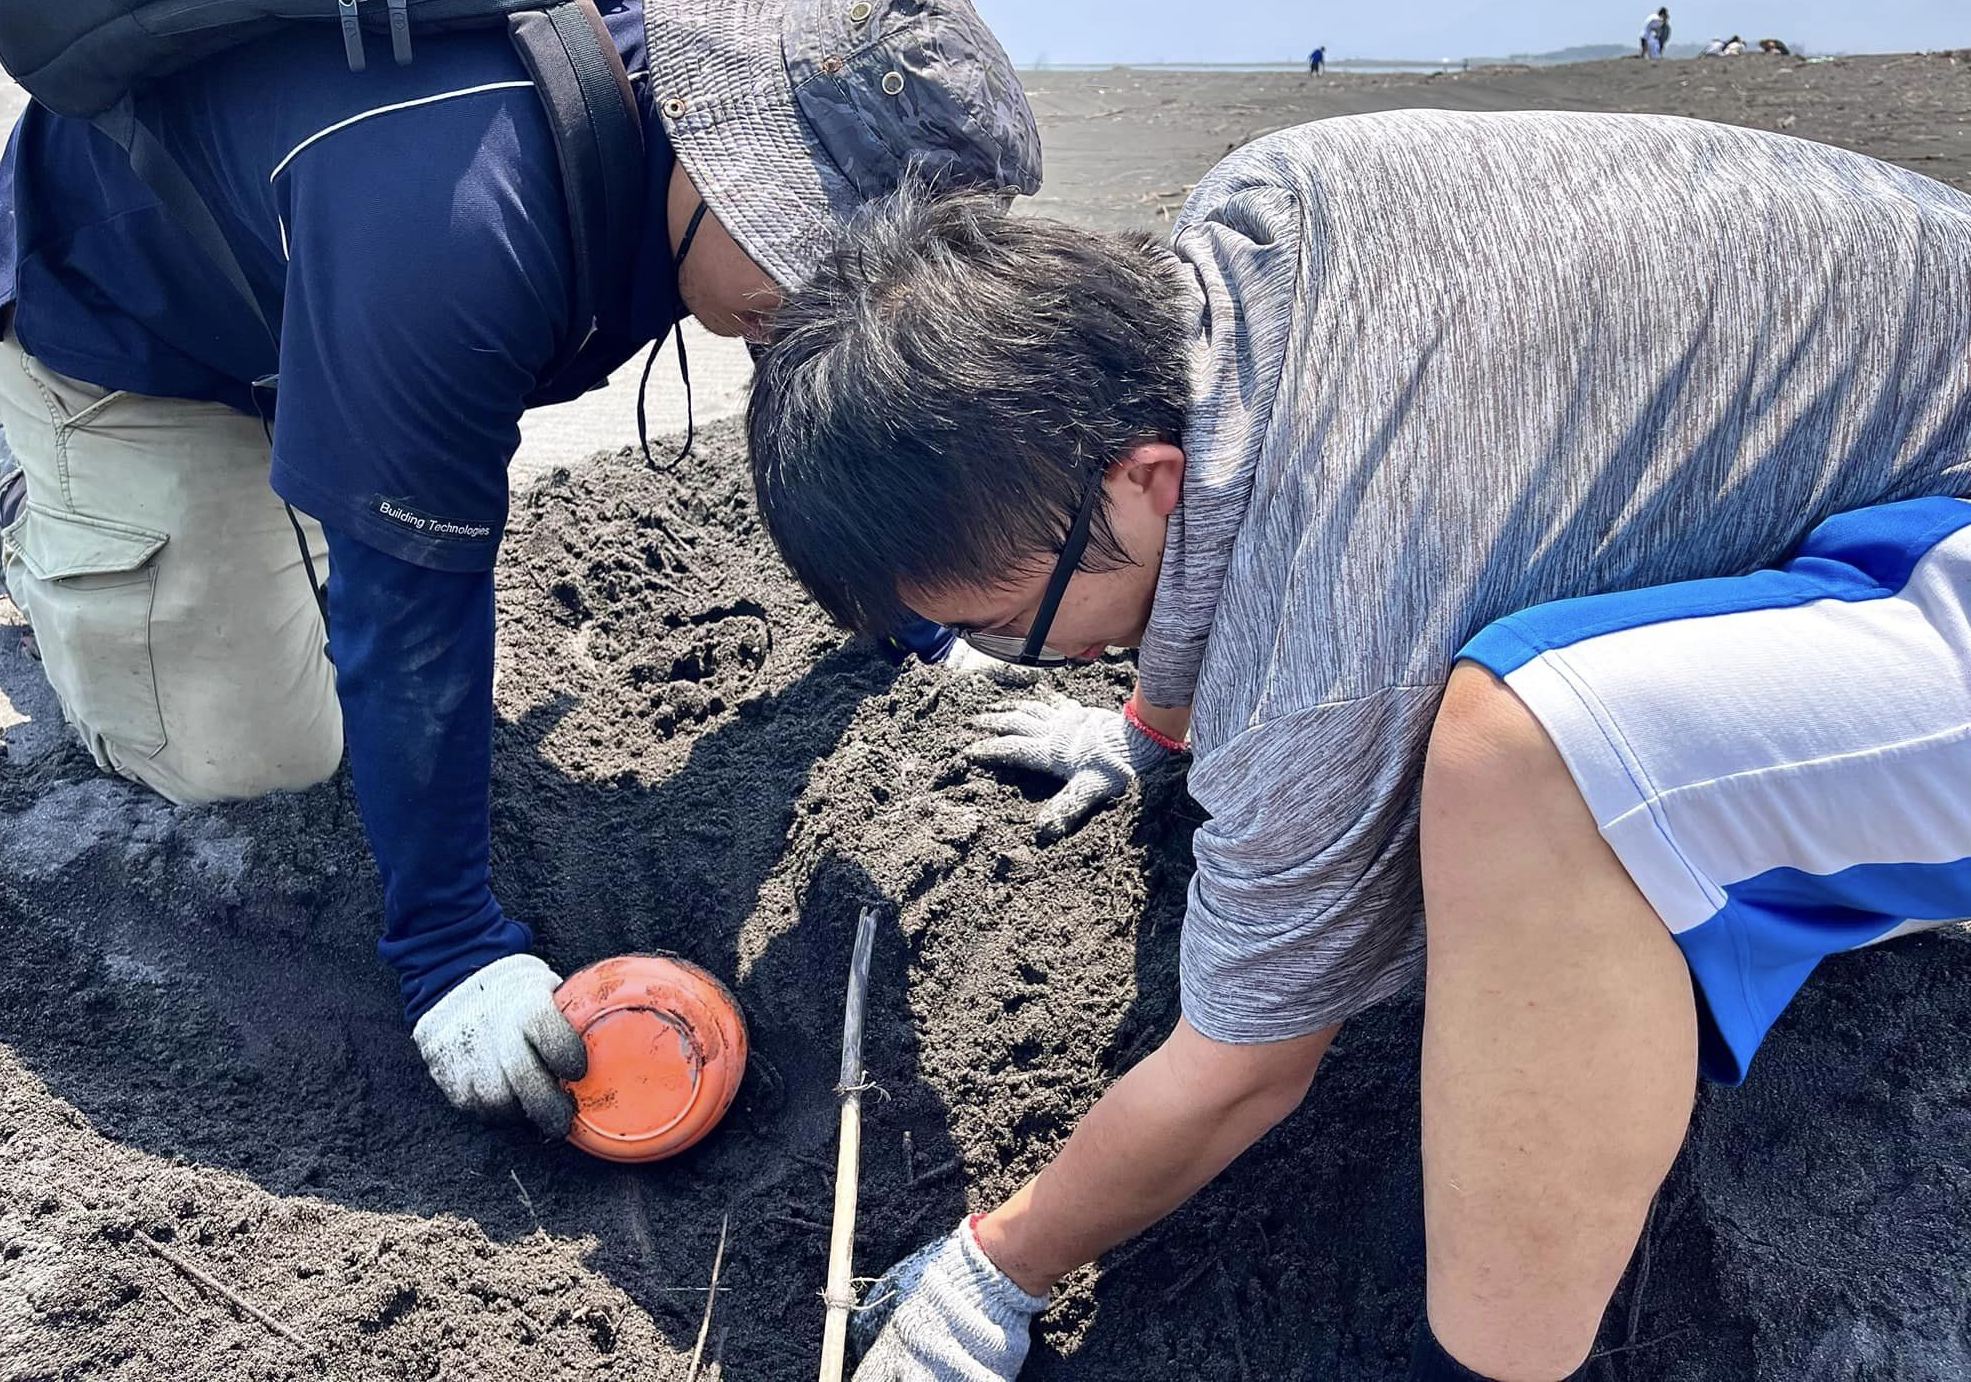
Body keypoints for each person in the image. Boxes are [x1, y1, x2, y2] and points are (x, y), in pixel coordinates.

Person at [745, 110, 1971, 1381]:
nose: (1019, 657)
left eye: (1009, 626)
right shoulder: (1258, 215)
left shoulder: (1327, 640)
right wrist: (1147, 724)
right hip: (1902, 459)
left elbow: (1241, 1074)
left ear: (1142, 480)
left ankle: (1492, 1366)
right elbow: (1230, 540)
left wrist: (995, 1268)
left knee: (1531, 761)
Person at [0, 0, 1040, 1139]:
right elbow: (413, 616)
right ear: (735, 167)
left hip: (345, 315)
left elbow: (832, 417)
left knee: (359, 528)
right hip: (137, 338)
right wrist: (453, 951)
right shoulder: (460, 219)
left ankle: (285, 494)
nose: (829, 313)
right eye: (814, 272)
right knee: (251, 758)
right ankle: (30, 493)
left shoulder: (746, 88)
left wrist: (924, 613)